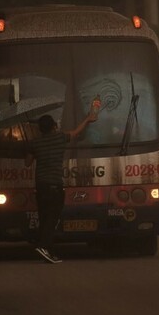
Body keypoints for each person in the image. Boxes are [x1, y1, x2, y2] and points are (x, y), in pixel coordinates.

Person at [25, 104, 98, 263]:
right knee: (53, 219)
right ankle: (43, 246)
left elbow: (27, 163)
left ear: (40, 129)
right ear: (54, 126)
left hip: (41, 186)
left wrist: (33, 147)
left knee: (44, 218)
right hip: (55, 186)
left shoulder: (35, 143)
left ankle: (48, 252)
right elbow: (76, 132)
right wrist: (87, 119)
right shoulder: (59, 138)